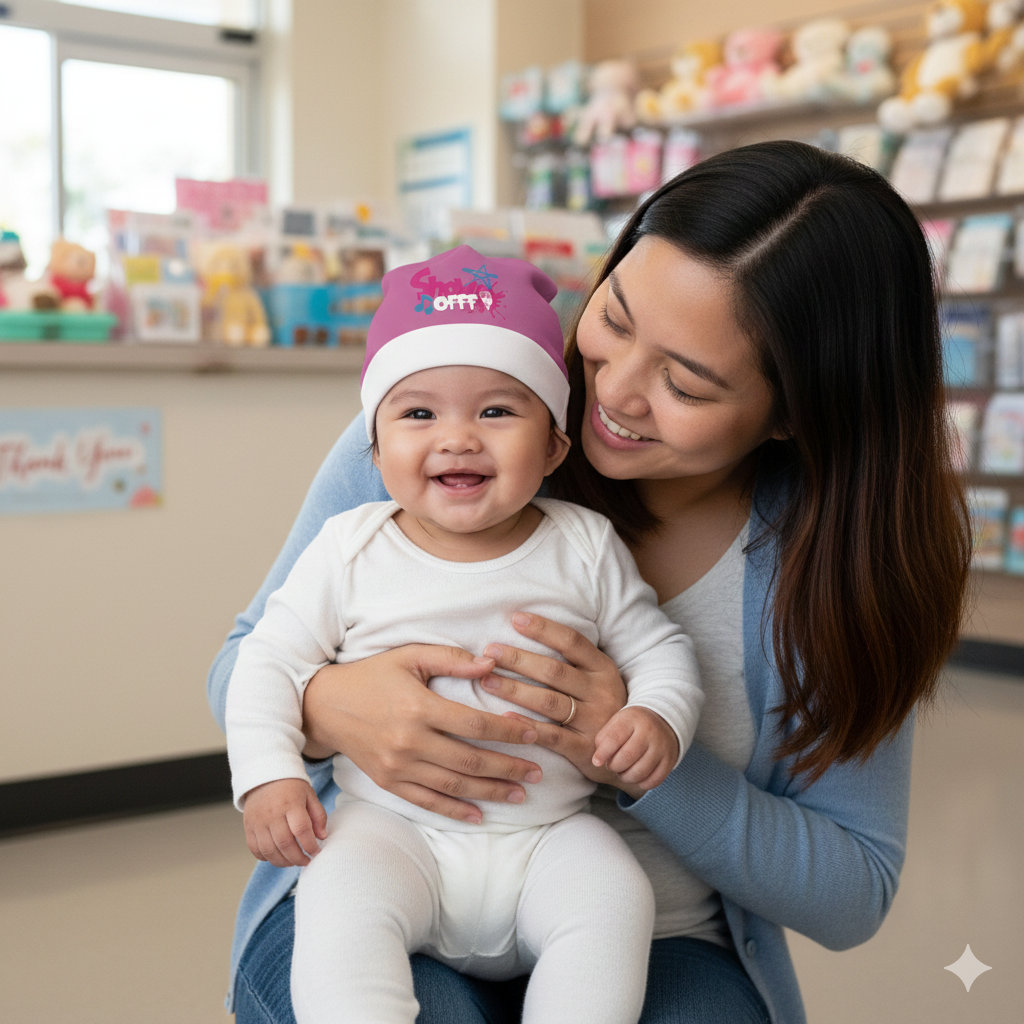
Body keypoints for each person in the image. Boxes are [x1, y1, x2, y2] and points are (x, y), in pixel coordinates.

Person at [208, 140, 970, 1024]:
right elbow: (245, 664)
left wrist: (643, 758)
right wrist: (333, 706)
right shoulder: (448, 427)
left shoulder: (839, 564)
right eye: (613, 316)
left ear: (797, 414)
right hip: (393, 865)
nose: (612, 389)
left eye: (684, 381)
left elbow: (853, 889)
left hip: (654, 928)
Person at [225, 246, 704, 1024]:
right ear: (374, 451)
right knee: (339, 904)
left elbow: (659, 649)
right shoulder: (351, 546)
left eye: (496, 410)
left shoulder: (582, 543)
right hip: (394, 831)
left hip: (548, 837)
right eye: (418, 413)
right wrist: (268, 775)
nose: (456, 438)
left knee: (616, 896)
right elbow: (266, 662)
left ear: (553, 446)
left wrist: (656, 716)